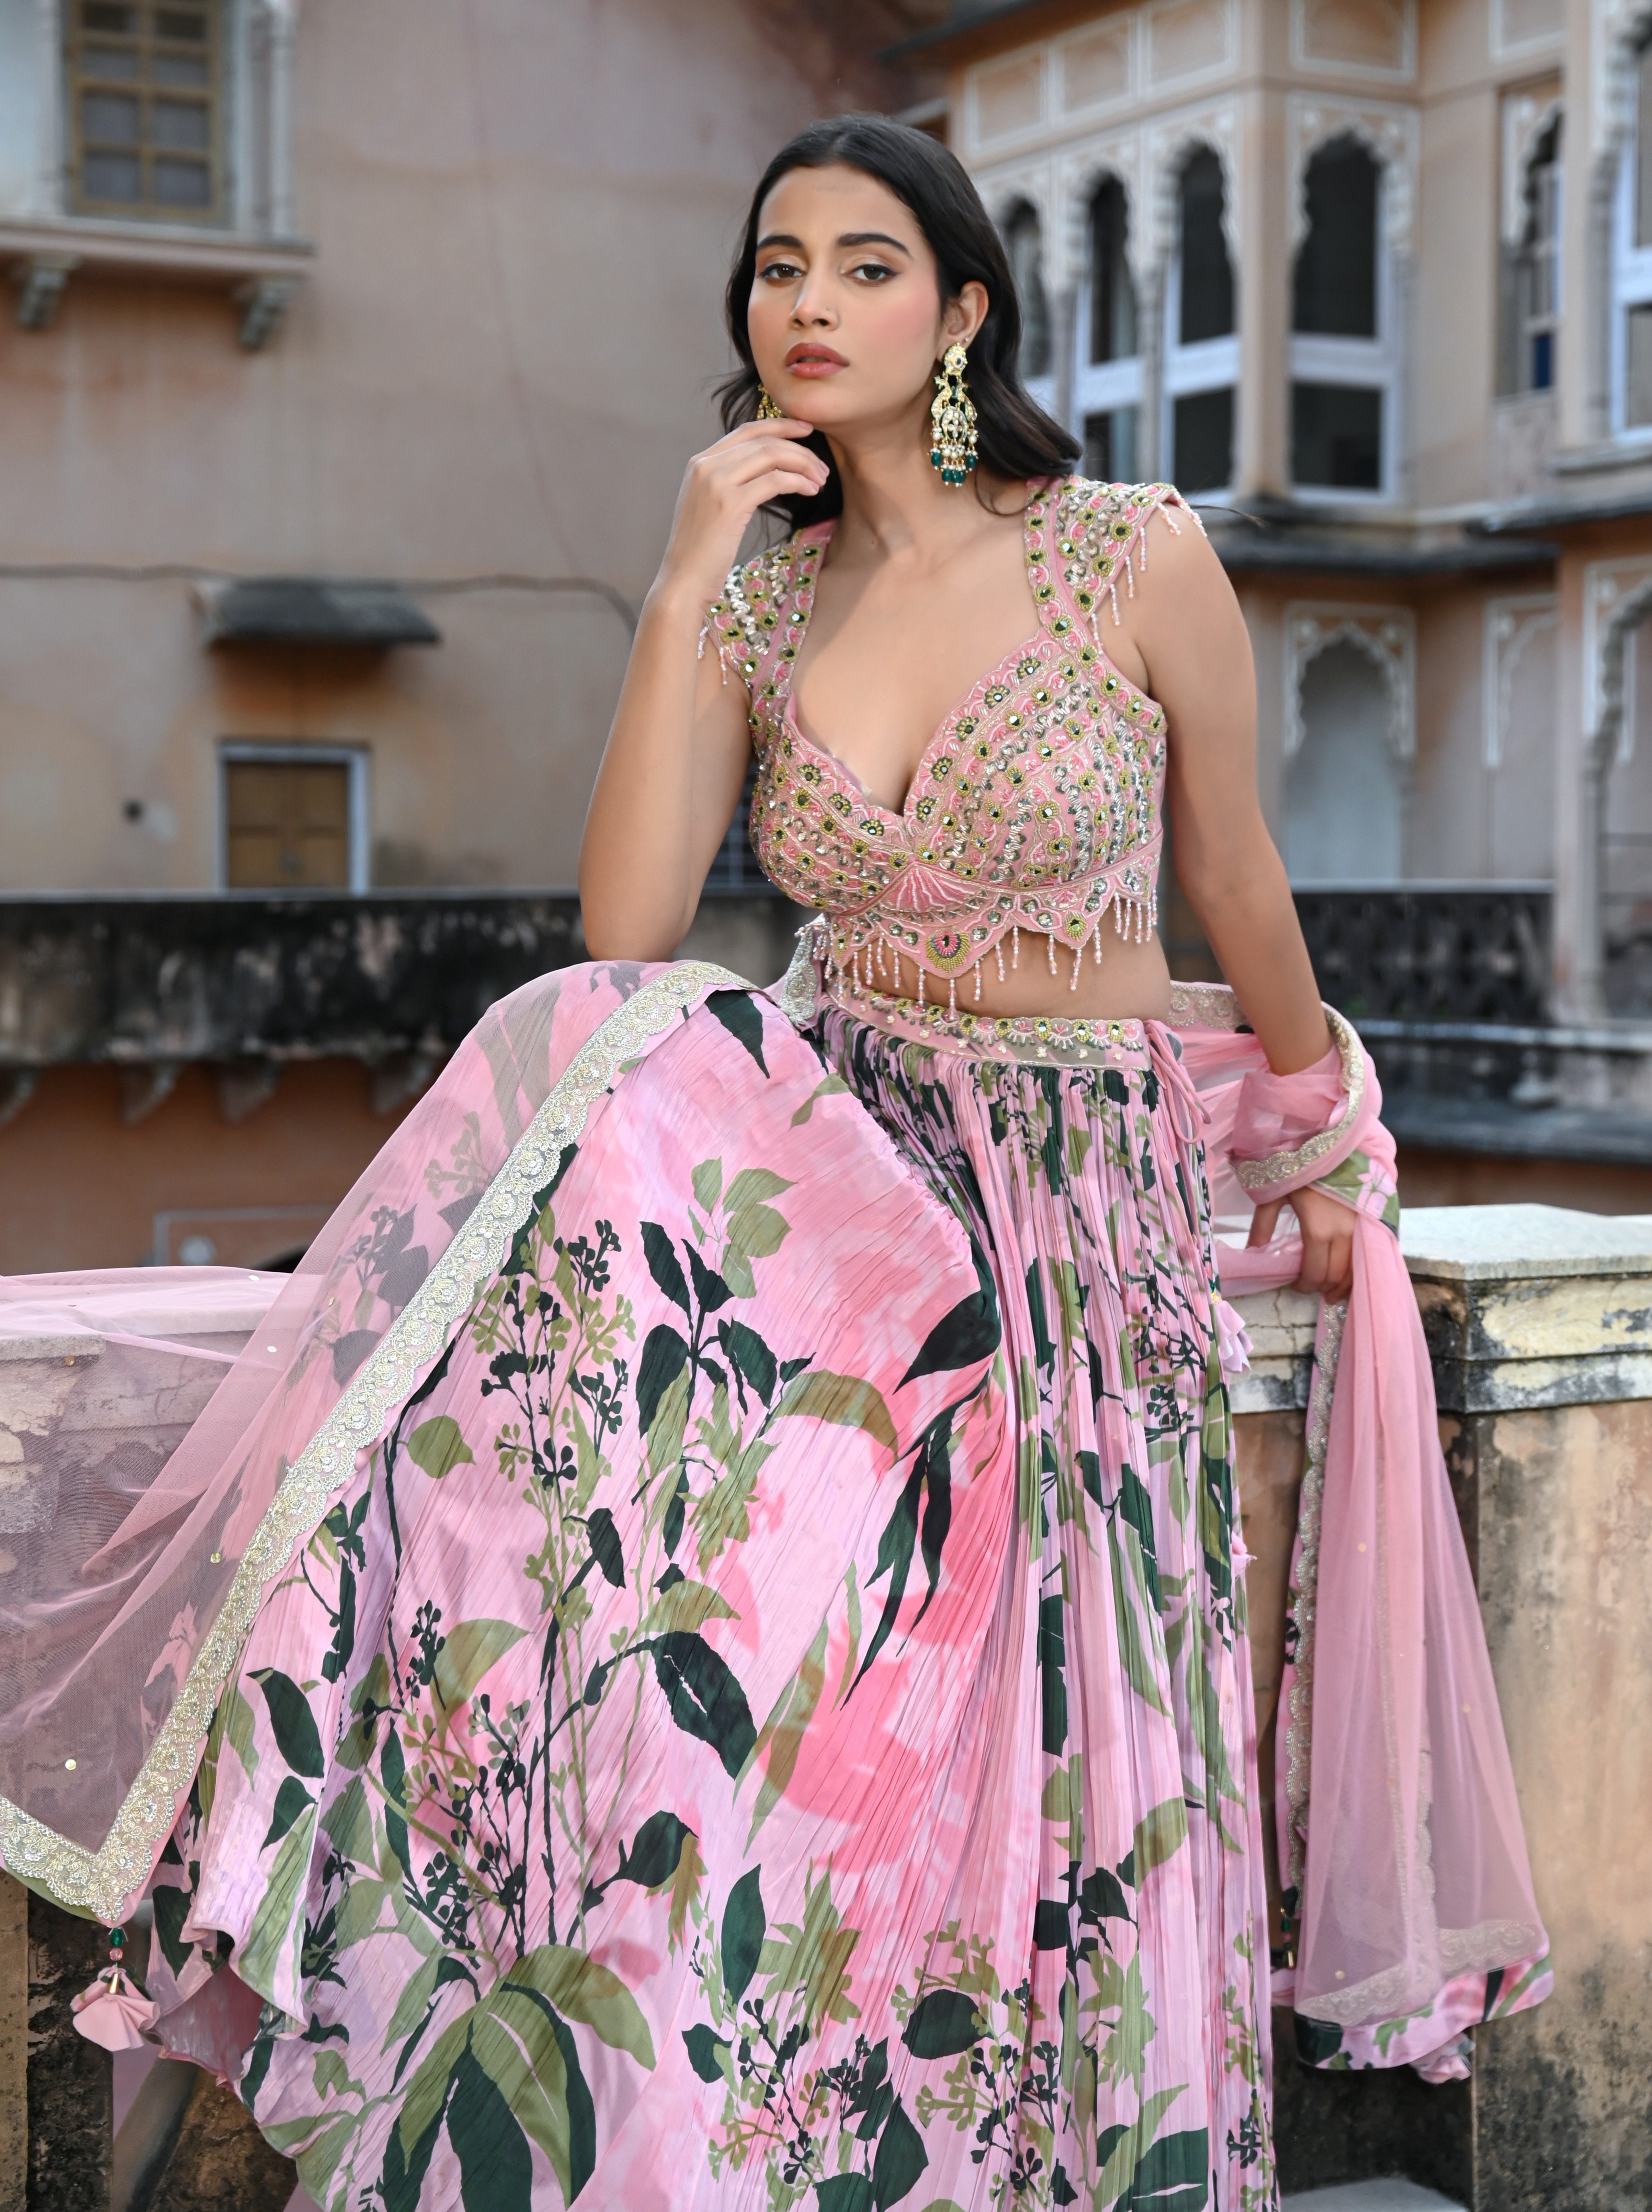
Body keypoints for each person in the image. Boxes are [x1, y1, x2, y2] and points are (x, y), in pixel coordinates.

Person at [0, 116, 1547, 2212]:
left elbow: (1237, 872)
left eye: (864, 266)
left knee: (1062, 1719)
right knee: (613, 1170)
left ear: (961, 311)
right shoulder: (754, 599)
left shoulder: (1125, 551)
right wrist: (673, 587)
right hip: (841, 1168)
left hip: (1072, 1195)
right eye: (776, 266)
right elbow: (627, 933)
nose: (809, 304)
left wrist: (1321, 1126)